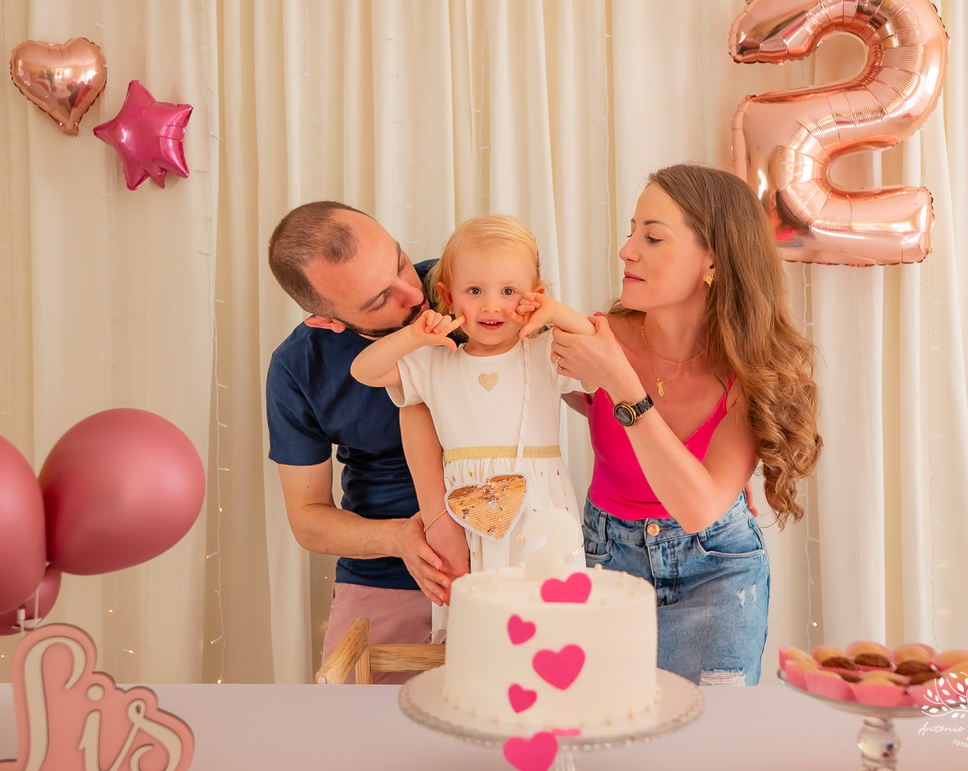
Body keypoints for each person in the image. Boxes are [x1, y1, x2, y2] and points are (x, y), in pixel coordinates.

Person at [548, 164, 822, 686]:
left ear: (712, 259)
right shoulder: (596, 339)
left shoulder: (750, 371)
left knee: (710, 733)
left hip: (717, 572)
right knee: (609, 729)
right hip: (605, 563)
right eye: (631, 232)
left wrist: (624, 388)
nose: (627, 250)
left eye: (652, 238)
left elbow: (698, 509)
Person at [351, 215, 594, 641]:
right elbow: (364, 370)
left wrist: (555, 313)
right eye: (475, 291)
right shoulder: (434, 362)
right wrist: (414, 337)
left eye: (508, 292)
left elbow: (596, 346)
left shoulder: (544, 353)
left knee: (546, 625)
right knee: (479, 635)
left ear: (534, 298)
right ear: (448, 296)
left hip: (539, 508)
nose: (491, 306)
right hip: (467, 515)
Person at [265, 201, 461, 683]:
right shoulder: (298, 367)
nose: (414, 294)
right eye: (378, 301)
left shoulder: (460, 285)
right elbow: (308, 519)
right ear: (326, 320)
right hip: (386, 573)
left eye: (400, 263)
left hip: (506, 555)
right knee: (350, 716)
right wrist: (399, 540)